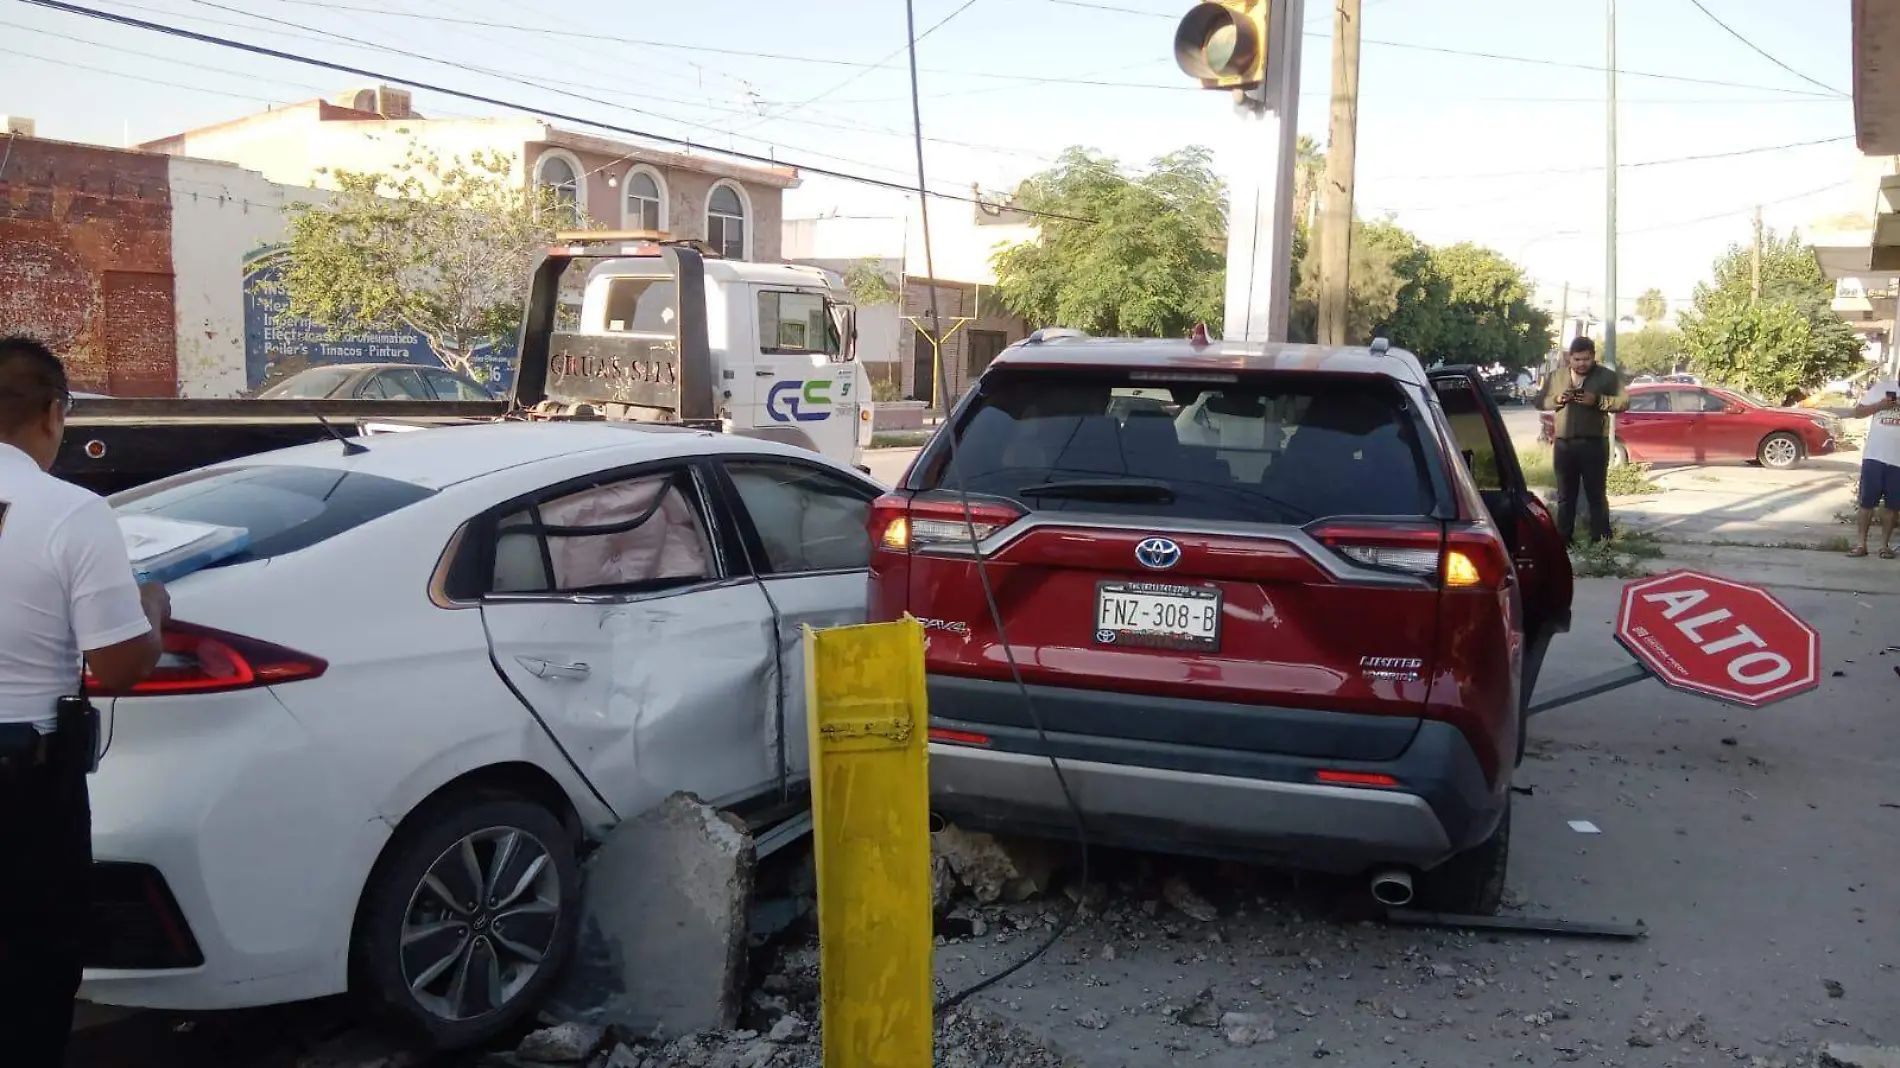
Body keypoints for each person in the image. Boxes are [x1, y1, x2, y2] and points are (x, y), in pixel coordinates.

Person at [0, 334, 168, 1067]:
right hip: (22, 786)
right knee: (33, 970)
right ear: (53, 413)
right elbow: (121, 665)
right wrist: (152, 608)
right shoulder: (70, 513)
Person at [1539, 336, 1629, 543]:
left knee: (1596, 495)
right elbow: (1539, 401)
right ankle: (1564, 541)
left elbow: (1624, 402)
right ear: (1570, 358)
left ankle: (1601, 540)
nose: (1581, 364)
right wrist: (1557, 399)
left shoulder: (1606, 377)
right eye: (1577, 359)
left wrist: (1597, 400)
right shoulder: (1556, 377)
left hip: (1594, 444)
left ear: (1593, 357)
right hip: (1564, 445)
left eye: (1586, 359)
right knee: (1565, 497)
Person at [1847, 371, 1900, 559]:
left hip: (1898, 461)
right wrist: (1880, 405)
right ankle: (1861, 544)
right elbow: (1857, 412)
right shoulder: (1882, 388)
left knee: (1893, 506)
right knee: (1867, 502)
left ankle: (1885, 546)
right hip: (1875, 456)